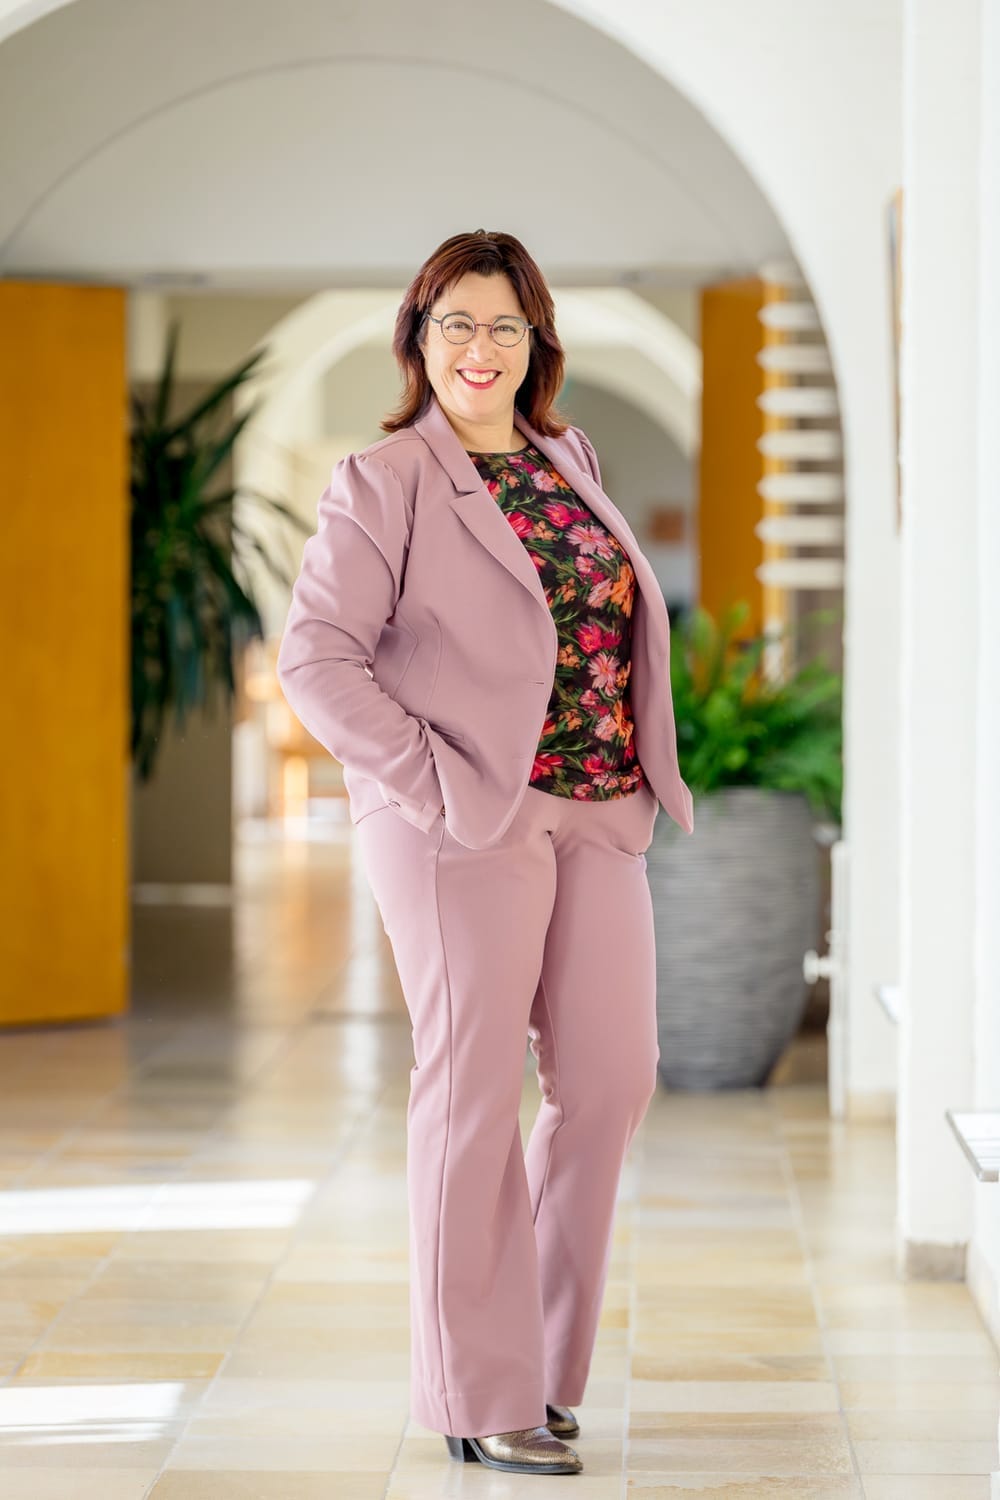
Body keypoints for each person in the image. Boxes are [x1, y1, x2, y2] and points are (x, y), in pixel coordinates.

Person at [276, 229, 694, 1477]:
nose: (480, 347)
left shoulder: (572, 459)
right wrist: (434, 782)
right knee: (469, 1093)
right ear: (418, 339)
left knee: (610, 1082)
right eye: (455, 322)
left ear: (535, 343)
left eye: (504, 324)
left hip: (598, 809)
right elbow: (316, 660)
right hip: (461, 821)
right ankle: (481, 1389)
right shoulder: (384, 479)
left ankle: (544, 1369)